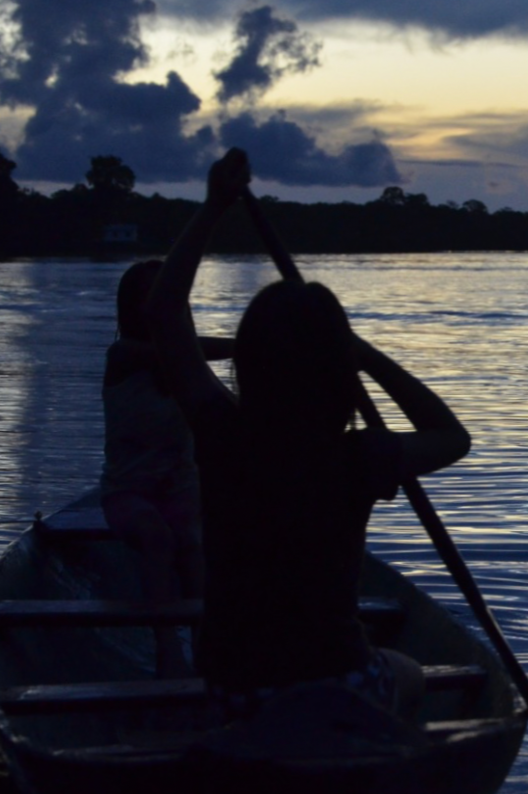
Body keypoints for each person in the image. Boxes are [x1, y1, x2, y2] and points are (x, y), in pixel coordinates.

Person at [145, 149, 471, 717]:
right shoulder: (361, 456)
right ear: (336, 373)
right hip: (340, 681)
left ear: (250, 362)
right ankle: (382, 764)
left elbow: (165, 314)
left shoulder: (222, 433)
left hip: (236, 686)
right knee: (410, 673)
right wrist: (366, 356)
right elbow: (451, 436)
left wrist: (211, 210)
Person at [101, 259, 234, 677]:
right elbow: (178, 351)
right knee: (157, 537)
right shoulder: (123, 354)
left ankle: (205, 644)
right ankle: (166, 648)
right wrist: (248, 342)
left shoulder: (189, 370)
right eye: (151, 298)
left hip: (180, 489)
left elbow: (227, 414)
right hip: (127, 492)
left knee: (192, 546)